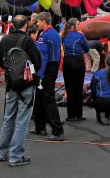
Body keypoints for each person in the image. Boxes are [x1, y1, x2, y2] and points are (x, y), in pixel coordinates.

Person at [0, 15, 42, 167]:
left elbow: (2, 64)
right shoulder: (27, 40)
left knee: (8, 118)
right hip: (26, 84)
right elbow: (38, 62)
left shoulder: (4, 40)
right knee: (22, 120)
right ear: (25, 25)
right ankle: (16, 156)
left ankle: (2, 152)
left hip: (11, 84)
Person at [31, 12, 65, 141]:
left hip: (47, 69)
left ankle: (57, 130)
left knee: (48, 99)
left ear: (44, 21)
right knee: (40, 97)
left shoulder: (44, 36)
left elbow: (43, 57)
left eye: (38, 21)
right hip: (53, 66)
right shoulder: (55, 33)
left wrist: (39, 74)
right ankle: (40, 126)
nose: (37, 23)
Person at [61, 18, 89, 122]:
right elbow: (87, 48)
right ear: (73, 26)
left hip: (67, 62)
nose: (80, 25)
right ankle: (78, 114)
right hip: (77, 61)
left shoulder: (64, 36)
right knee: (78, 88)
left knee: (69, 88)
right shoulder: (80, 36)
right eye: (78, 24)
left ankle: (70, 115)